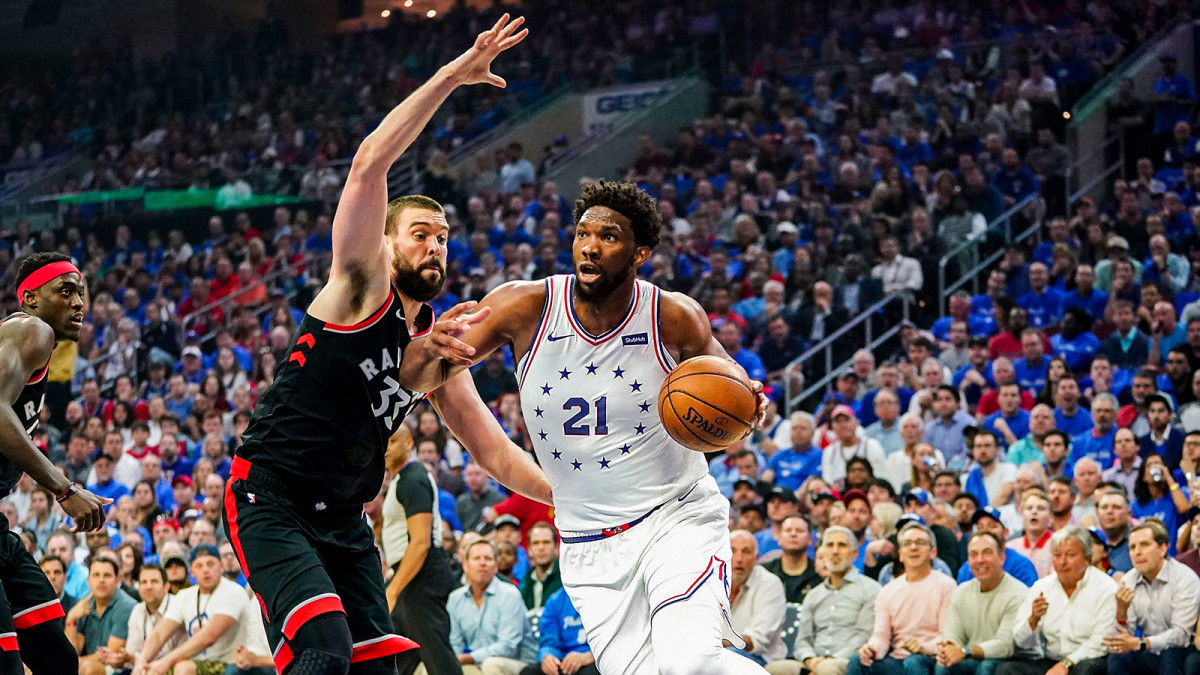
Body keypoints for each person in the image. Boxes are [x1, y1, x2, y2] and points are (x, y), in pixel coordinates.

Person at [222, 17, 552, 675]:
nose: (435, 245)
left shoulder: (439, 347)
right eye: (421, 233)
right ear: (387, 243)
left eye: (444, 237)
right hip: (272, 495)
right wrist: (453, 75)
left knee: (380, 664)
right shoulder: (359, 284)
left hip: (343, 518)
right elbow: (371, 159)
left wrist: (571, 500)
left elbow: (493, 451)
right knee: (324, 645)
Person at [432, 175, 770, 674]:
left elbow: (734, 391)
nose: (590, 247)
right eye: (583, 234)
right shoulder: (525, 305)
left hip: (675, 517)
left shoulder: (672, 317)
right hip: (589, 542)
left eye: (609, 237)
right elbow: (437, 367)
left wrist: (752, 404)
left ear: (640, 254)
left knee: (689, 662)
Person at [0, 253, 111, 675]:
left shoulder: (27, 342)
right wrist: (64, 489)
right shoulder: (33, 329)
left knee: (57, 657)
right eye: (65, 291)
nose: (78, 302)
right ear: (30, 299)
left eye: (81, 292)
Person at [380, 427, 459, 675]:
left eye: (393, 441)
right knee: (400, 659)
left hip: (421, 574)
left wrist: (392, 589)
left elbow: (421, 541)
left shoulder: (413, 478)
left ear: (409, 443)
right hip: (409, 574)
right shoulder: (400, 480)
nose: (387, 447)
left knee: (437, 657)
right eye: (384, 441)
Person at [765, 527, 880, 675]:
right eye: (830, 545)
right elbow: (803, 640)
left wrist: (828, 660)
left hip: (849, 660)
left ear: (854, 554)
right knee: (773, 669)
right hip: (815, 661)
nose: (835, 551)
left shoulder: (871, 589)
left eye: (842, 545)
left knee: (827, 669)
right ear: (822, 553)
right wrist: (810, 660)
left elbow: (864, 636)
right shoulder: (813, 595)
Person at [1003, 526, 1117, 675]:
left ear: (1087, 558)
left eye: (1070, 555)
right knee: (1007, 670)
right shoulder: (1042, 587)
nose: (1062, 562)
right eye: (1057, 555)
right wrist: (1033, 620)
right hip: (1051, 660)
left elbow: (1102, 640)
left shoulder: (1106, 587)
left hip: (1088, 659)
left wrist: (1067, 663)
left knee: (1086, 671)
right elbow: (1021, 642)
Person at [849, 523, 954, 675]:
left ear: (933, 553)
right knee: (857, 661)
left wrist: (923, 647)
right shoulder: (887, 591)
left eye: (920, 543)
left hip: (931, 658)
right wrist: (872, 648)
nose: (913, 548)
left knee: (914, 662)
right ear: (900, 554)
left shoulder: (946, 586)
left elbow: (947, 635)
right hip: (897, 659)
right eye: (907, 544)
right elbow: (881, 636)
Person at [133, 543, 252, 675]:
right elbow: (159, 634)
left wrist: (166, 661)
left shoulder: (233, 592)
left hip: (232, 664)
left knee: (182, 668)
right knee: (149, 671)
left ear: (221, 566)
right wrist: (141, 662)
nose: (205, 570)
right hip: (198, 663)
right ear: (192, 572)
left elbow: (209, 636)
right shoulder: (184, 596)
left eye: (210, 564)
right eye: (199, 566)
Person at [1103, 520, 1197, 674]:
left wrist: (1141, 643)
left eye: (1144, 545)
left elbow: (1181, 635)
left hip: (1183, 650)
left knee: (1169, 657)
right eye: (1132, 547)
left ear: (1162, 548)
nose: (1137, 552)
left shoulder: (1184, 578)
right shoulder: (1128, 580)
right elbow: (1120, 640)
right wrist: (1121, 613)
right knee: (1117, 657)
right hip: (1148, 650)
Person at [937, 532, 1026, 675]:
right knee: (943, 664)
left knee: (987, 667)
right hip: (972, 656)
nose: (980, 560)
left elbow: (1005, 645)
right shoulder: (961, 592)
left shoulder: (1018, 593)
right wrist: (949, 648)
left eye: (987, 553)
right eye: (973, 554)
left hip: (1010, 659)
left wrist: (964, 651)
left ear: (1002, 557)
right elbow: (953, 634)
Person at [447, 539, 537, 674]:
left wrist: (469, 658)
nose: (482, 563)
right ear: (465, 565)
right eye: (476, 558)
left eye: (488, 559)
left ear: (495, 566)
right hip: (477, 662)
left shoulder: (510, 594)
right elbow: (455, 643)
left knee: (491, 665)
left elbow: (508, 647)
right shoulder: (455, 599)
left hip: (519, 663)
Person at [64, 557, 137, 675]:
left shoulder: (127, 606)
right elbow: (73, 651)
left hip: (120, 667)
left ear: (118, 580)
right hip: (87, 664)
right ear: (88, 581)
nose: (101, 580)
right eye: (96, 575)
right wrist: (71, 618)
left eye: (107, 575)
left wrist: (72, 662)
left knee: (87, 669)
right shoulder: (84, 606)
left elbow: (110, 655)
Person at [724, 531, 786, 666]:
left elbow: (756, 640)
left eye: (746, 552)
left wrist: (715, 643)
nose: (739, 558)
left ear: (756, 558)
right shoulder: (714, 582)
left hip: (760, 658)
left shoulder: (770, 584)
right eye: (732, 551)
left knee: (730, 656)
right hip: (719, 653)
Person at [519, 587, 597, 675]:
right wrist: (547, 656)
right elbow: (548, 640)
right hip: (563, 660)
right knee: (529, 672)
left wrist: (590, 656)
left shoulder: (603, 596)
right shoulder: (555, 600)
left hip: (593, 659)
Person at [760, 514, 822, 603]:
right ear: (779, 538)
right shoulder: (764, 572)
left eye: (800, 531)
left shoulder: (819, 574)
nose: (793, 534)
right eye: (788, 530)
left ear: (810, 540)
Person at [520, 522, 562, 612]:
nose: (541, 547)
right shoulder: (524, 583)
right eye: (536, 543)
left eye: (546, 542)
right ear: (529, 550)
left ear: (556, 548)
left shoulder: (566, 580)